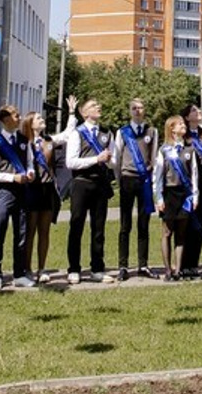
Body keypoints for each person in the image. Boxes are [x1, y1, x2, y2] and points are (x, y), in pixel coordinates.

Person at [62, 95, 115, 283]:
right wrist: (96, 159)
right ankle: (74, 268)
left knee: (98, 228)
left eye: (98, 104)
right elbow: (71, 162)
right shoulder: (77, 133)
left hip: (100, 183)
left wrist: (109, 160)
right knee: (76, 225)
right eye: (93, 105)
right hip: (81, 183)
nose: (98, 107)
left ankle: (97, 268)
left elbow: (113, 161)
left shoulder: (107, 133)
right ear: (84, 113)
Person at [0, 104, 35, 291]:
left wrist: (30, 173)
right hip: (4, 192)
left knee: (21, 233)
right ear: (6, 119)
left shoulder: (24, 140)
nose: (19, 118)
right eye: (16, 115)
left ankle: (19, 273)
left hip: (22, 191)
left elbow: (30, 162)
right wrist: (11, 178)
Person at [113, 97, 157, 281]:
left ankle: (143, 264)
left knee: (143, 223)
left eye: (140, 107)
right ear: (129, 111)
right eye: (134, 108)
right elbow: (116, 158)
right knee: (125, 224)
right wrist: (119, 178)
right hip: (128, 179)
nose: (137, 110)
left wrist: (152, 180)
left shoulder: (151, 131)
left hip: (145, 180)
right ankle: (123, 265)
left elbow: (153, 157)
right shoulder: (122, 132)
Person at [153, 116, 199, 281]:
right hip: (169, 193)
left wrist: (195, 195)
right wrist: (159, 198)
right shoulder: (164, 150)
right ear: (171, 129)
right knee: (167, 232)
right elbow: (158, 175)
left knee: (181, 233)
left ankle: (178, 269)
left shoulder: (189, 150)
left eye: (183, 123)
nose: (183, 126)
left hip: (185, 194)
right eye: (179, 124)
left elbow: (194, 174)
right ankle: (167, 270)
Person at [22, 111, 59, 282]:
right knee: (30, 231)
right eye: (38, 118)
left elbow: (66, 134)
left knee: (44, 231)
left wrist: (72, 113)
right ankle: (27, 268)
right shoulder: (25, 142)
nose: (42, 119)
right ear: (30, 123)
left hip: (47, 188)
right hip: (32, 189)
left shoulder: (48, 141)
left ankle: (42, 268)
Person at [180, 103, 202, 277]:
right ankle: (182, 264)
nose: (198, 112)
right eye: (194, 110)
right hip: (188, 186)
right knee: (187, 227)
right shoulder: (183, 135)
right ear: (187, 117)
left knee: (201, 226)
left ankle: (194, 264)